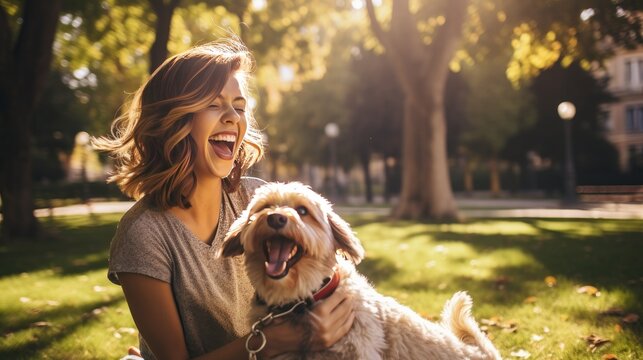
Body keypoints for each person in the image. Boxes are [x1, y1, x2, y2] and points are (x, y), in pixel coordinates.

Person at [94, 38, 355, 360]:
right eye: (214, 104)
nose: (234, 117)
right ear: (174, 119)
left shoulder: (255, 199)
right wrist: (271, 342)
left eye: (240, 107)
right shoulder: (143, 235)